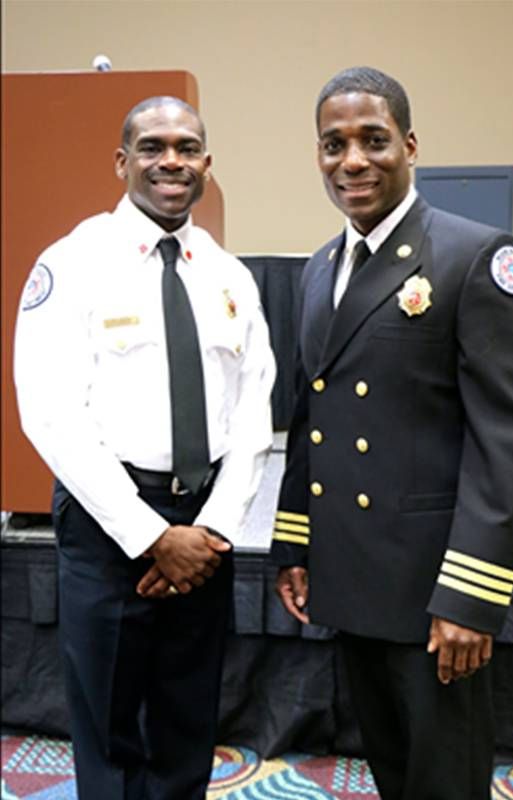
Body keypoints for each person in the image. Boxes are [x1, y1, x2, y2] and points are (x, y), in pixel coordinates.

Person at [271, 67, 513, 800]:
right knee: (392, 771)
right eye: (334, 145)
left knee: (444, 781)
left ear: (411, 145)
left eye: (373, 140)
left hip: (433, 591)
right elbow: (313, 417)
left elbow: (508, 440)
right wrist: (296, 542)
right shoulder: (320, 268)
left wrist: (470, 595)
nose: (352, 160)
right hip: (352, 576)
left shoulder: (475, 256)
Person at [14, 96, 276, 800]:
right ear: (122, 161)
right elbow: (51, 412)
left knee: (188, 717)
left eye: (187, 148)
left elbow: (253, 414)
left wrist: (211, 531)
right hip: (109, 524)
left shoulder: (229, 276)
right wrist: (150, 536)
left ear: (206, 165)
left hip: (204, 527)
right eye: (153, 146)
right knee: (108, 721)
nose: (171, 161)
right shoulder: (72, 263)